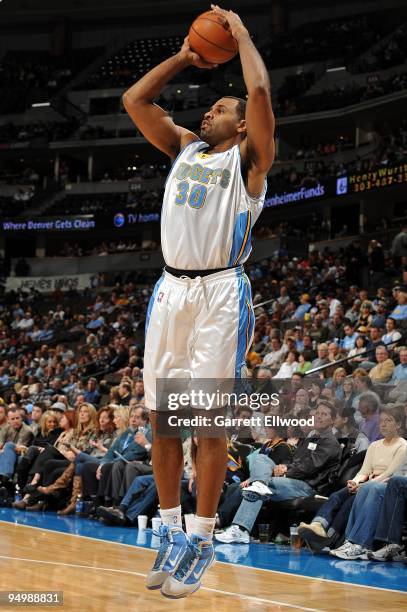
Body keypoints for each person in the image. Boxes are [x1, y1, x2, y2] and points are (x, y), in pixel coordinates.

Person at [123, 4, 275, 598]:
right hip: (170, 290)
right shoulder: (184, 148)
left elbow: (259, 88)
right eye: (209, 106)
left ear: (241, 126)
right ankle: (169, 529)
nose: (208, 111)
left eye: (221, 109)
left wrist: (239, 36)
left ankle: (204, 536)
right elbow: (136, 101)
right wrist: (186, 56)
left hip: (220, 292)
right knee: (164, 423)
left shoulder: (249, 162)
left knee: (208, 425)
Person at [215, 403, 342, 543]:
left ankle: (240, 529)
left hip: (308, 486)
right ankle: (259, 484)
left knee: (255, 486)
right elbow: (296, 461)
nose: (319, 416)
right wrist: (284, 466)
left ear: (333, 420)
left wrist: (286, 471)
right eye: (317, 413)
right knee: (261, 458)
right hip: (294, 479)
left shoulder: (330, 442)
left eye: (324, 414)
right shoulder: (310, 438)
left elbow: (310, 467)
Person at [298, 406, 407, 556]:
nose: (383, 424)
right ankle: (318, 525)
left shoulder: (403, 446)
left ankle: (331, 537)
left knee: (349, 503)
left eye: (388, 421)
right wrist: (355, 482)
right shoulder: (375, 445)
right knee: (337, 495)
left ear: (399, 424)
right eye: (381, 421)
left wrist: (363, 485)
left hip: (383, 485)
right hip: (367, 481)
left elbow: (390, 473)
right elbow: (364, 470)